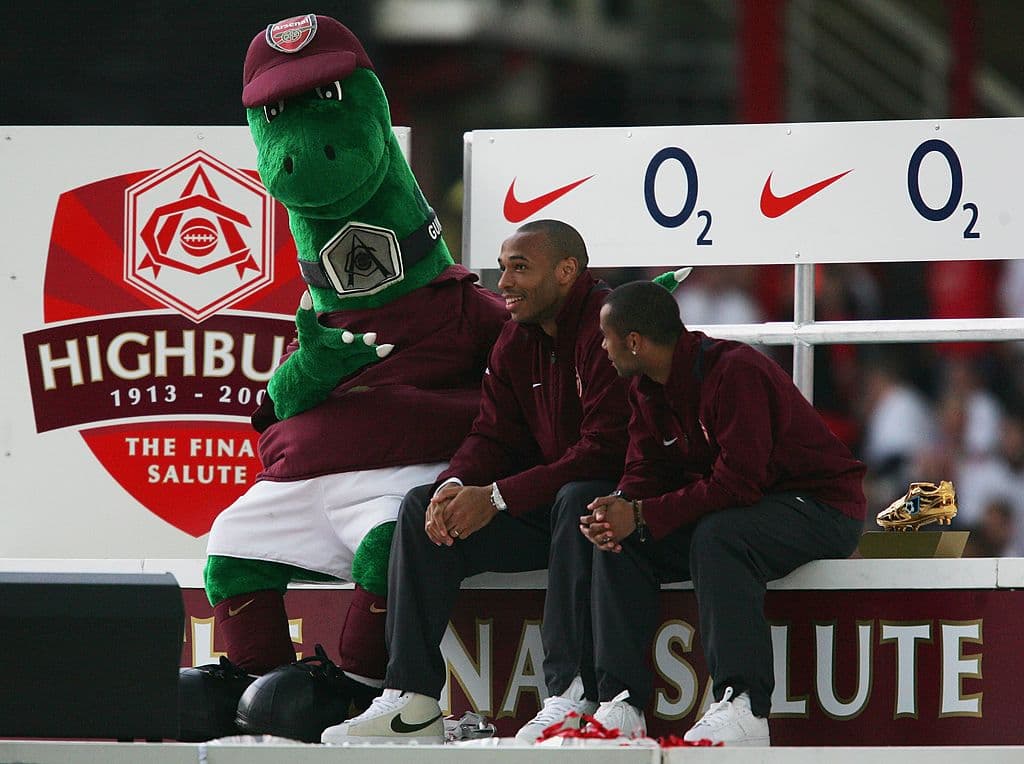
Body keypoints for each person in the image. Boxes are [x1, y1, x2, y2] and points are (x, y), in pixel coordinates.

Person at [320, 219, 634, 744]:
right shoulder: (517, 337)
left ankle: (572, 696)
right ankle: (411, 701)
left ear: (566, 271)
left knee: (580, 498)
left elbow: (604, 452)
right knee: (423, 505)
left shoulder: (607, 329)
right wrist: (455, 483)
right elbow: (491, 435)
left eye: (519, 268)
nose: (504, 282)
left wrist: (495, 497)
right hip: (547, 507)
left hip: (617, 510)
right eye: (503, 266)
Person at [579, 280, 866, 746]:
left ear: (634, 341)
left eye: (606, 337)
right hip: (750, 509)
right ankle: (623, 706)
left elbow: (739, 481)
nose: (602, 347)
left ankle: (745, 709)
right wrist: (620, 510)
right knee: (622, 539)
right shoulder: (645, 388)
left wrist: (645, 513)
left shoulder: (735, 371)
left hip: (821, 506)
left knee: (719, 535)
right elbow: (644, 469)